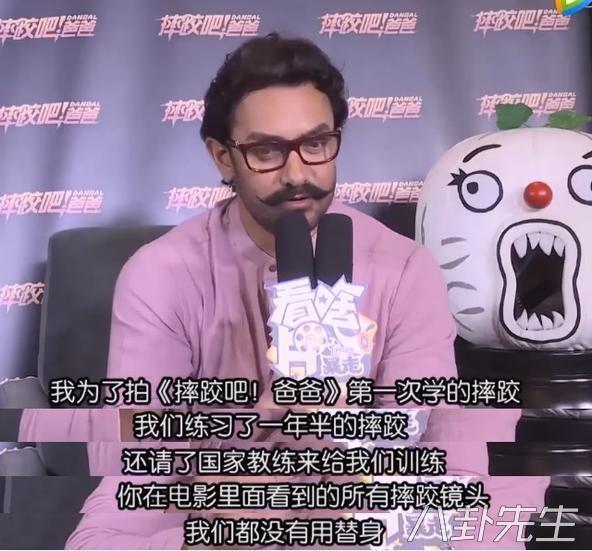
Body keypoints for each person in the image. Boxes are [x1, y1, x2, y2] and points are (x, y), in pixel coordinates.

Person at [54, 33, 547, 549]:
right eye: (266, 151)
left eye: (315, 144)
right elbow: (136, 461)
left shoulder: (404, 267)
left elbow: (439, 443)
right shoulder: (159, 274)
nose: (297, 174)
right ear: (222, 157)